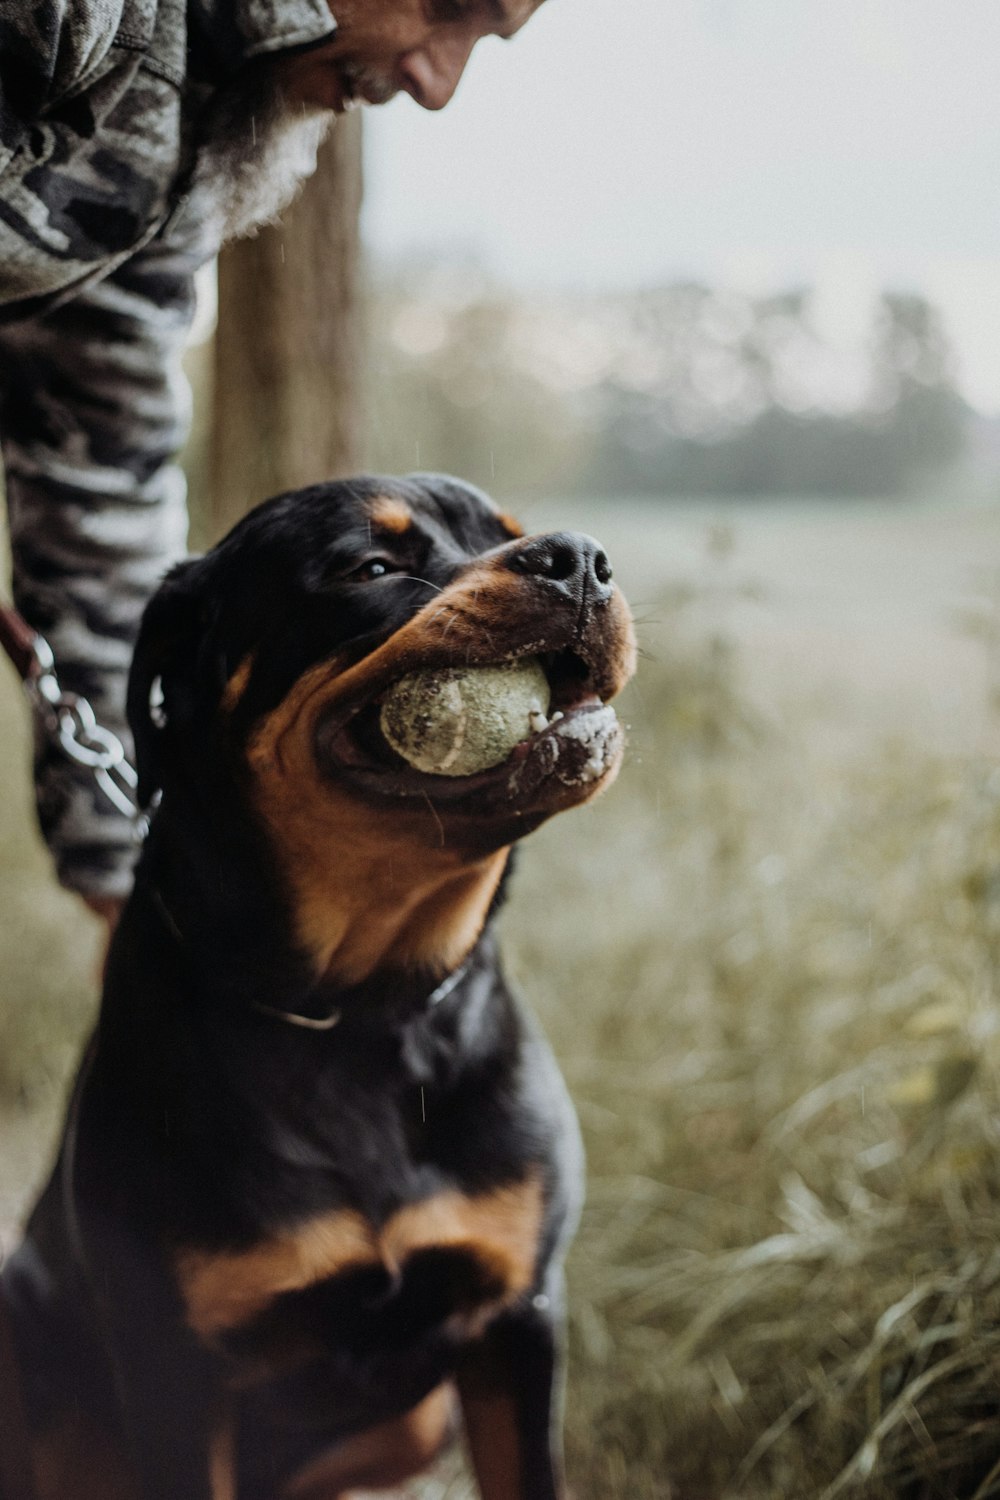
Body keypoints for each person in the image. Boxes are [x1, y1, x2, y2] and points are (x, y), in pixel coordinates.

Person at [0, 0, 544, 932]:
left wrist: (127, 890)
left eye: (482, 42)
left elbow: (101, 475)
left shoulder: (185, 147)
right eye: (448, 9)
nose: (437, 82)